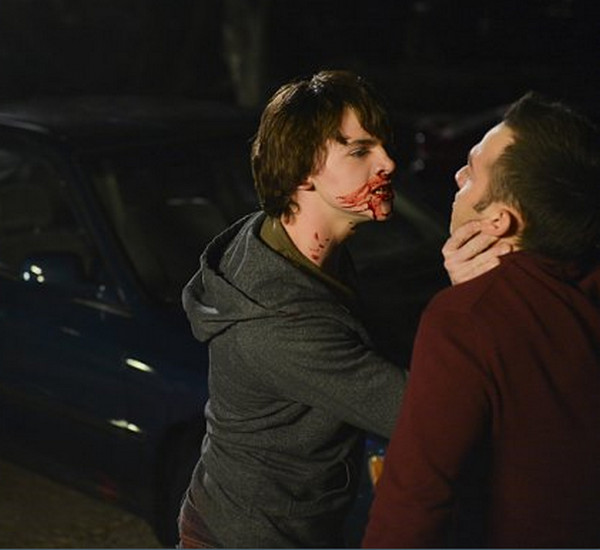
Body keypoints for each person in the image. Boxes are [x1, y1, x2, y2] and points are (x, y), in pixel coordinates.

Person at [177, 70, 503, 548]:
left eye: (383, 145)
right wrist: (464, 301)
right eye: (359, 151)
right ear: (302, 171)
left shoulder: (284, 241)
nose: (388, 162)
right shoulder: (280, 323)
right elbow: (426, 418)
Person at [363, 92, 600, 548]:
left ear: (498, 221)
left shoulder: (465, 321)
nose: (457, 176)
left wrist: (477, 303)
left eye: (471, 171)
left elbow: (413, 503)